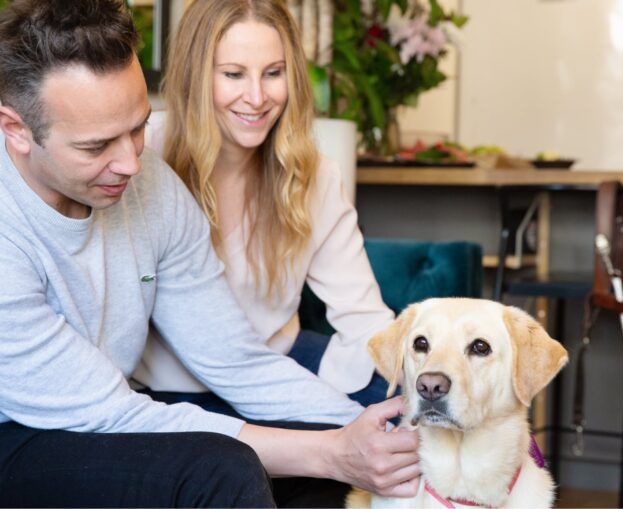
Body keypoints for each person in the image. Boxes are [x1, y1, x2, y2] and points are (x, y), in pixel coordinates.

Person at [0, 0, 419, 507]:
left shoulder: (151, 184)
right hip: (21, 431)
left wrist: (373, 435)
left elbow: (233, 358)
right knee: (226, 467)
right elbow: (113, 412)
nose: (132, 162)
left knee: (316, 454)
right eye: (97, 147)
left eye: (138, 127)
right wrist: (330, 451)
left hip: (108, 413)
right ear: (15, 130)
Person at [133, 0, 394, 408]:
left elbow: (366, 319)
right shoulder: (140, 158)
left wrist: (411, 391)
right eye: (233, 74)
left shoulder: (315, 175)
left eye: (274, 73)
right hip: (165, 388)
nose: (256, 97)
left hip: (278, 366)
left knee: (421, 421)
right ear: (195, 77)